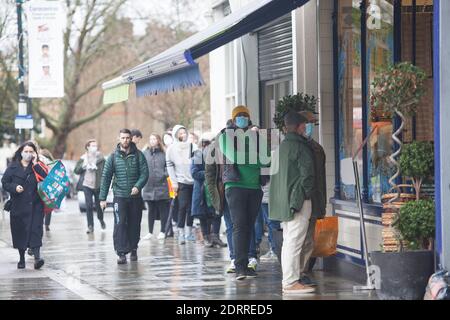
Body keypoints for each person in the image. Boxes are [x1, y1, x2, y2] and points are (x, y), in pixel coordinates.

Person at [218, 106, 268, 280]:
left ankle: (247, 264)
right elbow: (236, 157)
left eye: (245, 116)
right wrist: (253, 158)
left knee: (249, 226)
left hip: (254, 188)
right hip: (235, 186)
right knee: (239, 226)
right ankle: (239, 266)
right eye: (238, 116)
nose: (242, 118)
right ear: (233, 119)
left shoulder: (256, 135)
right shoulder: (225, 136)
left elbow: (265, 158)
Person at [269, 111, 316, 295]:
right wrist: (299, 199)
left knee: (289, 241)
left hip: (284, 202)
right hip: (298, 202)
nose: (307, 128)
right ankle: (290, 282)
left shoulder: (281, 148)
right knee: (294, 242)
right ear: (299, 127)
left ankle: (290, 280)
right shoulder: (300, 147)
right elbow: (308, 177)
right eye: (305, 125)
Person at [99, 129, 149, 264]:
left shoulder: (139, 155)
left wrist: (137, 186)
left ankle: (133, 249)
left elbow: (144, 174)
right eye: (123, 138)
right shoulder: (113, 157)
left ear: (131, 138)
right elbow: (106, 177)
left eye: (127, 138)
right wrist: (102, 198)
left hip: (135, 197)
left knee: (134, 224)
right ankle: (121, 253)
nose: (125, 140)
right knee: (120, 223)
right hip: (119, 196)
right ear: (119, 138)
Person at [1, 141, 47, 269]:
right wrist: (15, 187)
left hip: (36, 205)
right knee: (20, 232)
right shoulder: (13, 167)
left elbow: (46, 178)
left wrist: (36, 163)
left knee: (36, 230)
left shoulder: (38, 166)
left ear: (35, 153)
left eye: (31, 152)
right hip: (19, 205)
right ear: (21, 152)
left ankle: (37, 258)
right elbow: (5, 182)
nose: (28, 154)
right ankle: (21, 258)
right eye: (26, 151)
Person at [296, 110, 327, 286]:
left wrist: (321, 204)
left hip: (314, 200)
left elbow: (321, 179)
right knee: (298, 238)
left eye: (314, 123)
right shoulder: (294, 146)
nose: (311, 126)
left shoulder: (317, 148)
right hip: (299, 201)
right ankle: (297, 273)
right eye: (309, 122)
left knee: (308, 240)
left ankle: (303, 271)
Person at [191, 132, 227, 248]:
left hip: (216, 187)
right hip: (202, 190)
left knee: (217, 212)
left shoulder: (218, 155)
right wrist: (210, 174)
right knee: (203, 215)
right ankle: (206, 237)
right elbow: (194, 173)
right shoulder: (197, 155)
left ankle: (215, 236)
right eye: (207, 143)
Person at [166, 125, 197, 244]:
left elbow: (198, 163)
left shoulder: (192, 146)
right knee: (182, 207)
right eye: (180, 133)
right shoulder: (171, 149)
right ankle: (181, 233)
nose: (183, 135)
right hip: (180, 182)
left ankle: (189, 232)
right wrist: (174, 183)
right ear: (175, 135)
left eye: (184, 132)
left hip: (193, 181)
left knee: (191, 208)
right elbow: (170, 167)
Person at [141, 134, 170, 241]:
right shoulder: (145, 153)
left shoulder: (164, 153)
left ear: (158, 140)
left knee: (163, 210)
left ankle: (163, 231)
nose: (152, 141)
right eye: (150, 139)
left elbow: (169, 166)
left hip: (162, 186)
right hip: (149, 186)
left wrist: (164, 174)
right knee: (151, 210)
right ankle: (150, 232)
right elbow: (141, 166)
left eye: (154, 139)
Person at [74, 139, 106, 234]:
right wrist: (83, 166)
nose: (94, 147)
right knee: (88, 206)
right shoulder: (83, 158)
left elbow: (106, 170)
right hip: (86, 185)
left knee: (99, 206)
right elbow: (76, 170)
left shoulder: (100, 157)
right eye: (92, 145)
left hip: (98, 185)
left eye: (95, 145)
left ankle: (101, 219)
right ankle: (90, 226)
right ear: (87, 147)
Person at [39, 148, 55, 232]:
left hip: (42, 186)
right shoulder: (52, 163)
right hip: (50, 187)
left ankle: (41, 222)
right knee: (49, 205)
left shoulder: (41, 162)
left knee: (41, 205)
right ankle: (47, 224)